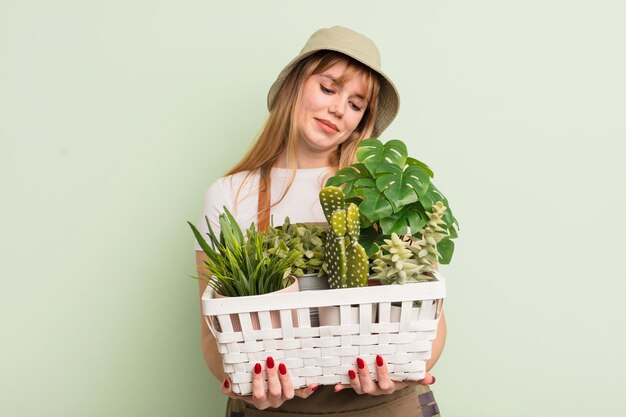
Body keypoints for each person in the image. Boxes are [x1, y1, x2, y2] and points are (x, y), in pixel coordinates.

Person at [194, 26, 446, 417]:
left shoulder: (383, 195)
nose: (338, 109)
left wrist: (404, 369)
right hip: (274, 409)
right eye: (328, 89)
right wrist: (247, 385)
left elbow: (430, 320)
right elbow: (214, 338)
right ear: (296, 85)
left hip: (384, 405)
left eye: (356, 103)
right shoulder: (230, 196)